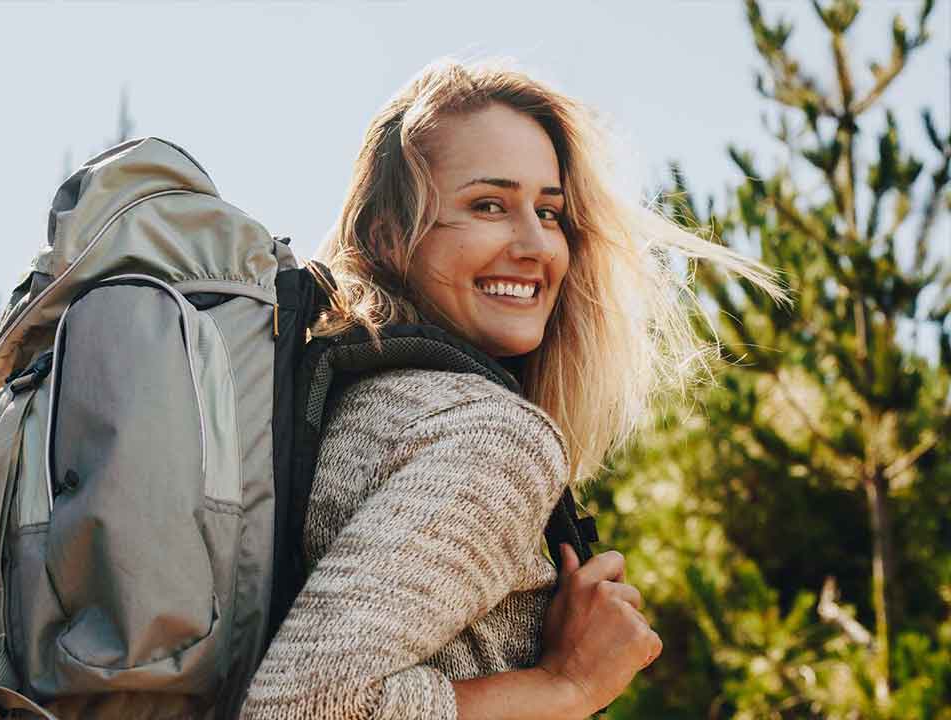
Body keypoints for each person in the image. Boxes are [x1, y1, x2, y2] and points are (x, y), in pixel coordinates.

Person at [240, 59, 780, 720]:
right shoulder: (487, 434)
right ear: (387, 235)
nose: (535, 245)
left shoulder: (348, 401)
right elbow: (302, 709)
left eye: (549, 213)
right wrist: (567, 686)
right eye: (488, 205)